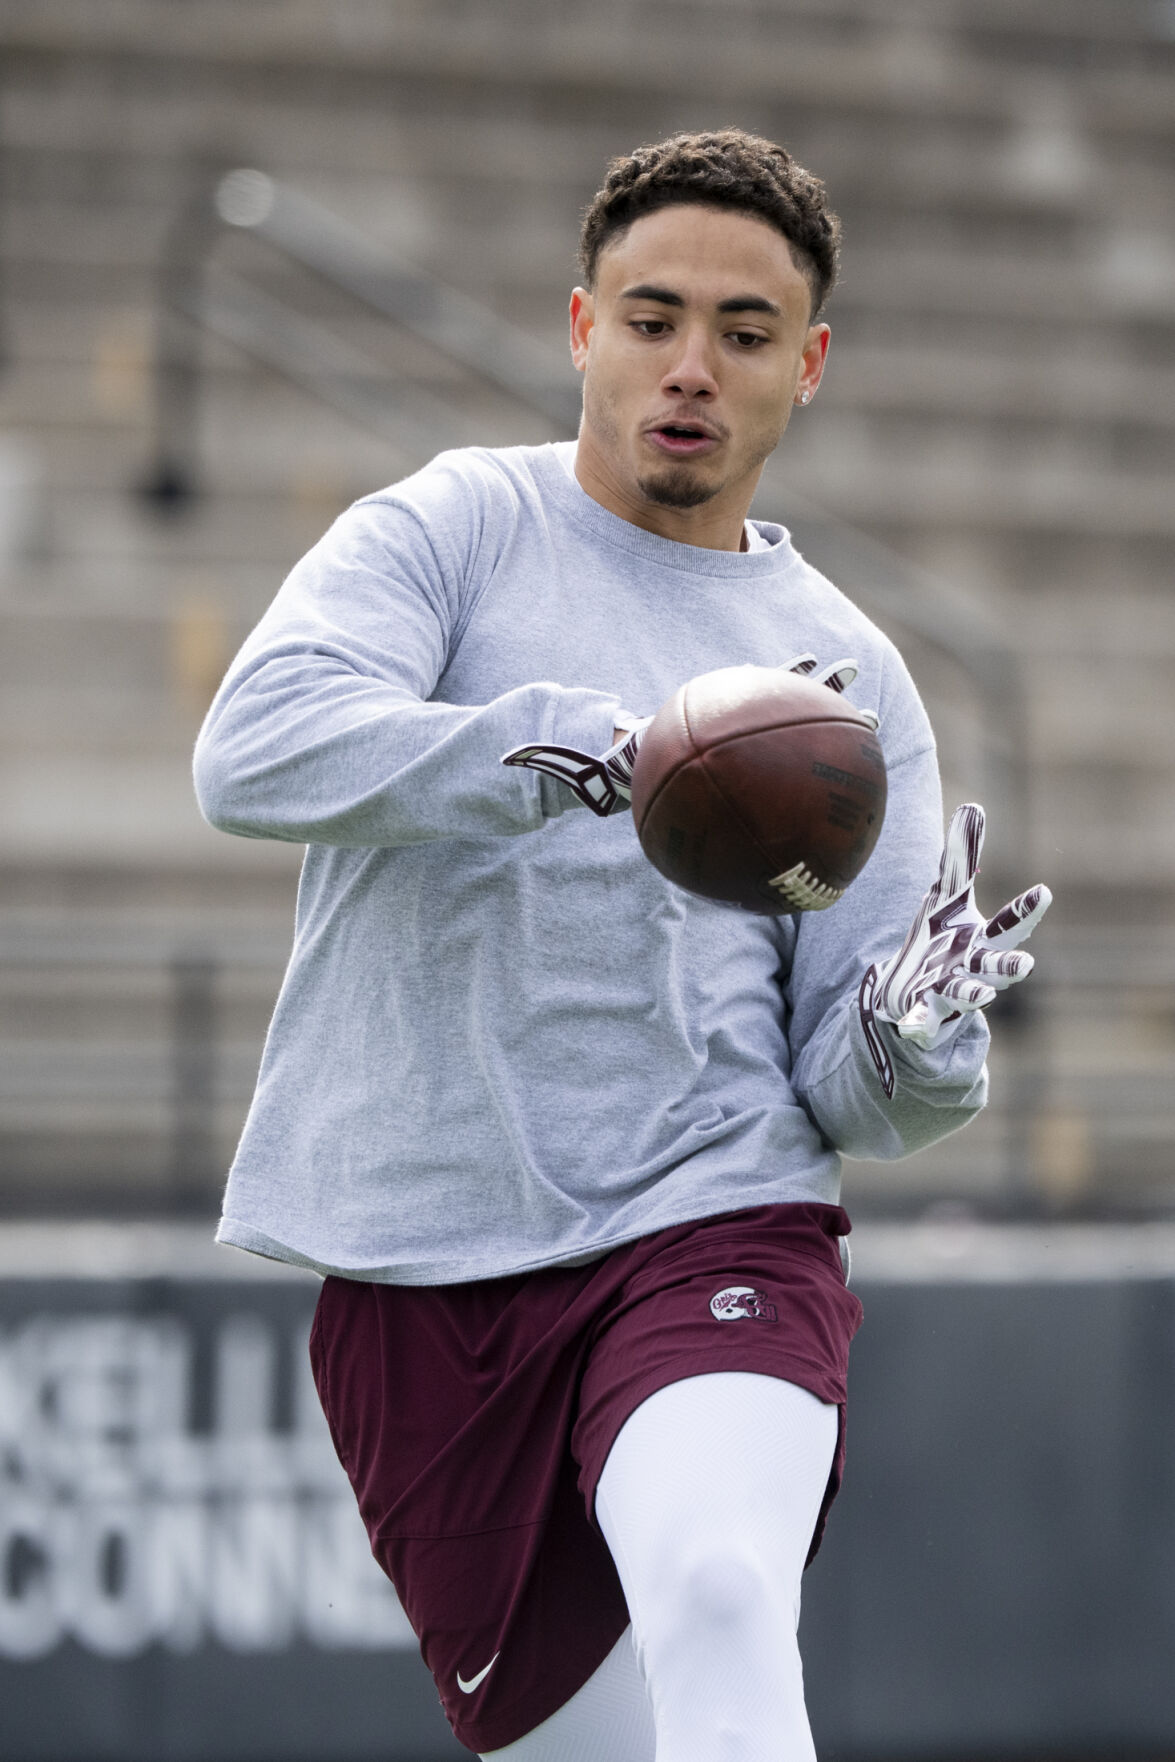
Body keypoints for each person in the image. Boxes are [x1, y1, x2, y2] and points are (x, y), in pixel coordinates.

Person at [193, 130, 1049, 1762]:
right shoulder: (451, 529)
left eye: (742, 333)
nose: (690, 367)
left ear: (806, 367)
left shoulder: (848, 681)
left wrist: (914, 1047)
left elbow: (852, 1086)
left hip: (714, 1218)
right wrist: (577, 751)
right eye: (652, 318)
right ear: (580, 327)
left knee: (723, 1595)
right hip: (422, 1257)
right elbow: (252, 752)